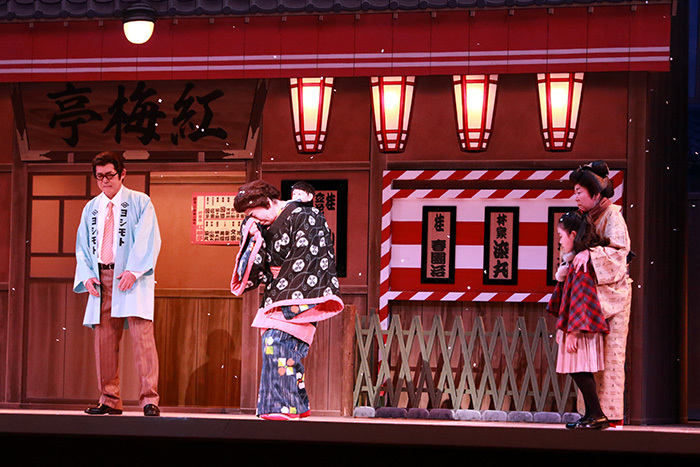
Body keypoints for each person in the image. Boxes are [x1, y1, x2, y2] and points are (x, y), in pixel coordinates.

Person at [230, 180, 344, 420]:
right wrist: (252, 233)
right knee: (284, 350)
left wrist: (285, 290)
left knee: (278, 344)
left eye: (254, 214)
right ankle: (297, 405)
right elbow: (257, 259)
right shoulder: (263, 224)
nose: (253, 219)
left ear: (268, 202)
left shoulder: (307, 216)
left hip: (301, 293)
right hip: (279, 292)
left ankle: (281, 407)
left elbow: (312, 256)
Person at [73, 152, 162, 416]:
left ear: (122, 174)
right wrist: (87, 275)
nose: (105, 181)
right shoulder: (91, 208)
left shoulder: (140, 201)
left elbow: (148, 238)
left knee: (142, 339)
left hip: (132, 277)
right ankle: (109, 399)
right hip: (101, 278)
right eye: (99, 176)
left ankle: (149, 400)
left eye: (110, 175)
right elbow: (82, 246)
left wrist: (133, 271)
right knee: (104, 341)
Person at [569, 160, 632, 425]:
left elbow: (619, 253)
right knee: (586, 357)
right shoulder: (588, 217)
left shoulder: (613, 216)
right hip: (591, 297)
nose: (575, 197)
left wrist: (590, 254)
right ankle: (591, 413)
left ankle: (609, 416)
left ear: (595, 194)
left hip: (612, 296)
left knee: (610, 359)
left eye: (579, 192)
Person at [547, 211, 610, 430]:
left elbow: (581, 297)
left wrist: (573, 331)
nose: (560, 241)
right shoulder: (575, 262)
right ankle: (591, 414)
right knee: (579, 370)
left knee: (580, 370)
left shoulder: (580, 264)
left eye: (561, 236)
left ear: (573, 235)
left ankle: (597, 414)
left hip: (580, 326)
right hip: (576, 324)